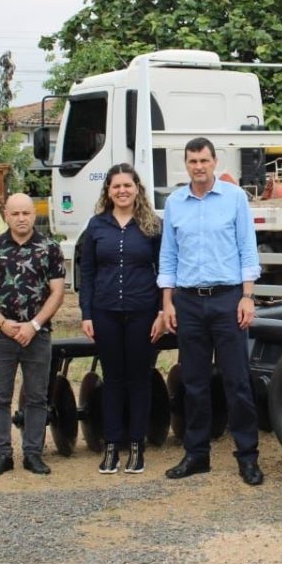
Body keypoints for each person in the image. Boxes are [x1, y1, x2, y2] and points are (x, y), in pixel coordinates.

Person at [158, 137, 264, 486]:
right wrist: (167, 303)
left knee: (237, 382)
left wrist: (247, 297)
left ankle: (247, 457)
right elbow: (169, 256)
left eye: (204, 160)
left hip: (228, 300)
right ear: (185, 165)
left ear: (214, 162)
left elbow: (247, 249)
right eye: (192, 161)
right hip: (188, 302)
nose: (199, 167)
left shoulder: (234, 199)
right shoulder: (175, 203)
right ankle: (197, 455)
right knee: (194, 383)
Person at [79, 163, 166, 474]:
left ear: (137, 188)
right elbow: (86, 272)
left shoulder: (152, 226)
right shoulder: (96, 226)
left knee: (139, 379)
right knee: (113, 380)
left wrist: (161, 311)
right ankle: (112, 445)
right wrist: (86, 313)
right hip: (105, 313)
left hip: (142, 312)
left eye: (127, 185)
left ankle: (137, 446)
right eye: (116, 186)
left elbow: (164, 271)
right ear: (108, 191)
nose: (122, 191)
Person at [0, 193, 65, 477]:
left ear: (33, 214)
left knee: (36, 397)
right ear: (6, 215)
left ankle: (33, 455)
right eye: (16, 214)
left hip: (37, 335)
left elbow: (58, 292)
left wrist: (34, 325)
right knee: (0, 398)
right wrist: (2, 324)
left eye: (26, 213)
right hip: (2, 335)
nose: (22, 218)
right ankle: (2, 455)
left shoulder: (49, 248)